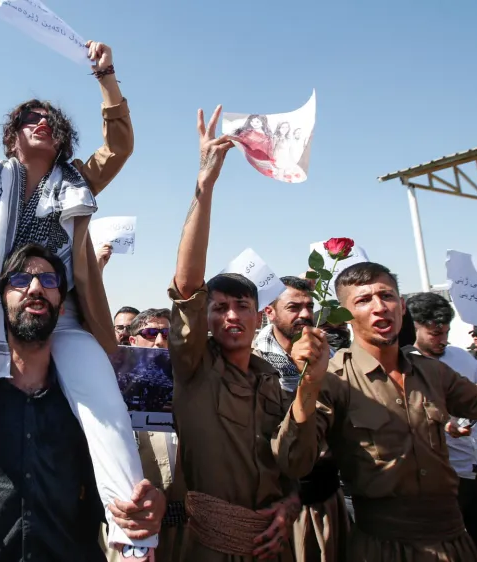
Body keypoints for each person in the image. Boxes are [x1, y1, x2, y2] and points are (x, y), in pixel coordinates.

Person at [0, 0, 149, 556]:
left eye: (48, 118)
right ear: (11, 137)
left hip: (64, 321)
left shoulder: (80, 181)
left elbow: (120, 144)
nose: (39, 122)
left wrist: (106, 76)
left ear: (61, 136)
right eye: (28, 118)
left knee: (104, 405)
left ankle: (132, 538)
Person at [0, 245, 165, 561]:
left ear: (62, 307)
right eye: (21, 280)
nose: (35, 288)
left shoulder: (87, 406)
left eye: (49, 282)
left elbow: (111, 485)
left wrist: (143, 507)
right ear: (0, 300)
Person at [281, 262, 477, 561]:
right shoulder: (334, 379)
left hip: (453, 541)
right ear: (347, 314)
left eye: (386, 296)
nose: (379, 307)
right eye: (363, 300)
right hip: (383, 548)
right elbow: (295, 460)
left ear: (402, 306)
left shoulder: (432, 372)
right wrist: (309, 383)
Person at [169, 105, 303, 561]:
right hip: (208, 546)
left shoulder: (270, 378)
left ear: (258, 315)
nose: (229, 316)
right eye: (218, 308)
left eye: (240, 307)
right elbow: (187, 285)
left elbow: (288, 462)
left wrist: (290, 503)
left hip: (271, 544)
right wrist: (204, 190)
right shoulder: (194, 367)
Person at [404, 292, 477, 562]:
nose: (443, 340)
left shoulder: (461, 357)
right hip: (444, 481)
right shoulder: (402, 366)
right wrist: (443, 426)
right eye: (434, 334)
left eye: (446, 332)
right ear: (413, 327)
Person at [252, 277, 348, 562]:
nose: (305, 315)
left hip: (327, 499)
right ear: (269, 312)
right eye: (293, 307)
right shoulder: (253, 366)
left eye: (309, 306)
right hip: (277, 511)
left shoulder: (331, 361)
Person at [105, 307, 187, 562]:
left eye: (167, 333)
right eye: (151, 333)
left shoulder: (190, 387)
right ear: (132, 341)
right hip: (130, 528)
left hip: (182, 530)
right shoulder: (110, 388)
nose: (160, 340)